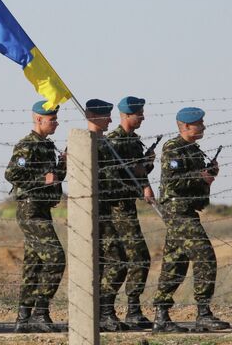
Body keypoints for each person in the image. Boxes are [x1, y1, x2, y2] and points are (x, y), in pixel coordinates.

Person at [152, 107, 229, 332]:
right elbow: (173, 180)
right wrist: (200, 176)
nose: (203, 126)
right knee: (205, 256)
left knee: (175, 262)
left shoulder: (194, 150)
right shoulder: (173, 148)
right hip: (177, 210)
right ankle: (203, 314)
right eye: (199, 123)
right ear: (185, 126)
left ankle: (161, 317)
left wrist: (208, 176)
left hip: (186, 210)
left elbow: (194, 181)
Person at [5, 101, 66, 333]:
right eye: (52, 119)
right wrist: (42, 180)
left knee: (34, 264)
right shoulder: (27, 145)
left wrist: (63, 165)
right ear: (38, 119)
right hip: (30, 210)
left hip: (42, 208)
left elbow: (54, 178)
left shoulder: (46, 146)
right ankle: (40, 313)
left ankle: (23, 318)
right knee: (56, 258)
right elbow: (11, 173)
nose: (56, 122)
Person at [105, 96, 155, 329]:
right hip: (117, 208)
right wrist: (138, 181)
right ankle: (107, 309)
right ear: (126, 115)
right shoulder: (113, 142)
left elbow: (136, 171)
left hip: (128, 207)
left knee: (136, 258)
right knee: (126, 259)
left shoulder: (134, 141)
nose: (143, 117)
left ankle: (133, 308)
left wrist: (145, 167)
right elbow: (112, 180)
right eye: (139, 113)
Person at [85, 99, 129, 332]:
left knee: (104, 264)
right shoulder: (87, 143)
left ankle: (102, 313)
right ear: (93, 116)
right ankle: (103, 311)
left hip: (106, 211)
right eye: (106, 115)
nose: (111, 120)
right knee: (118, 261)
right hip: (93, 213)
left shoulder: (104, 143)